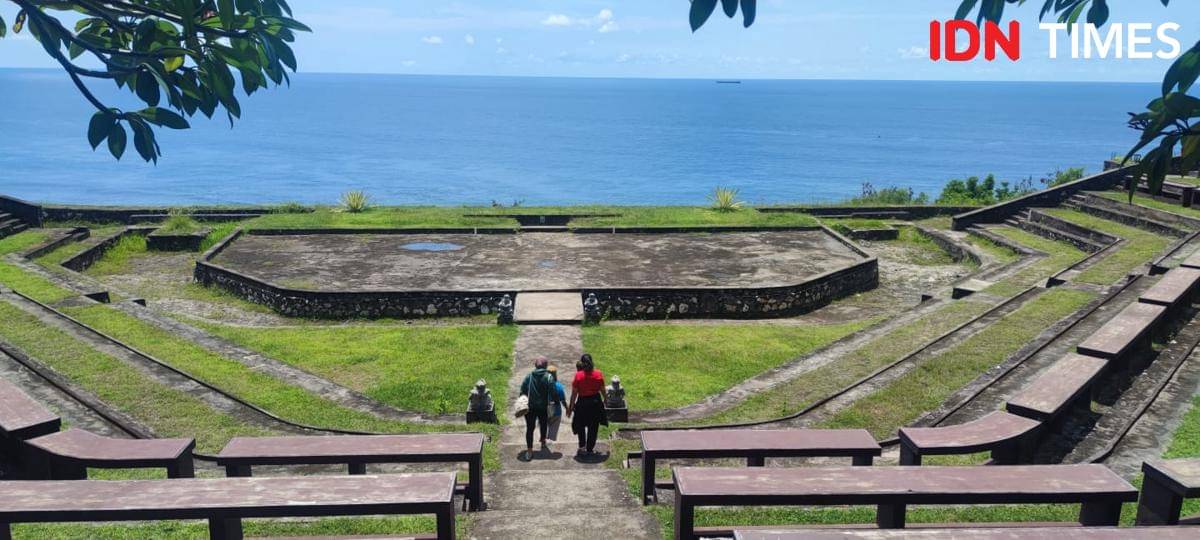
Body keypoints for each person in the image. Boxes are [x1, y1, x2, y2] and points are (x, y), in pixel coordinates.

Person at [567, 353, 607, 455]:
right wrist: (606, 400)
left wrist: (571, 407)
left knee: (580, 425)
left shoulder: (578, 375)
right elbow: (603, 391)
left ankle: (582, 446)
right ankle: (590, 448)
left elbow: (574, 394)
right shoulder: (598, 374)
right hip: (595, 403)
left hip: (582, 403)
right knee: (593, 427)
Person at [519, 356, 555, 459]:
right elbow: (553, 391)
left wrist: (522, 402)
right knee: (543, 424)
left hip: (530, 407)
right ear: (546, 366)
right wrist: (556, 402)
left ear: (535, 365)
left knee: (530, 429)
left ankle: (529, 451)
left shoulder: (529, 376)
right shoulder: (549, 377)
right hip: (543, 407)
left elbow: (522, 390)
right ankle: (543, 441)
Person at [546, 365, 568, 441]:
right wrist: (567, 409)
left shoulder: (542, 384)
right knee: (554, 426)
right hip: (556, 410)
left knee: (544, 425)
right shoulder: (559, 386)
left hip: (544, 409)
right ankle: (550, 439)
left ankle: (543, 439)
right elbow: (563, 400)